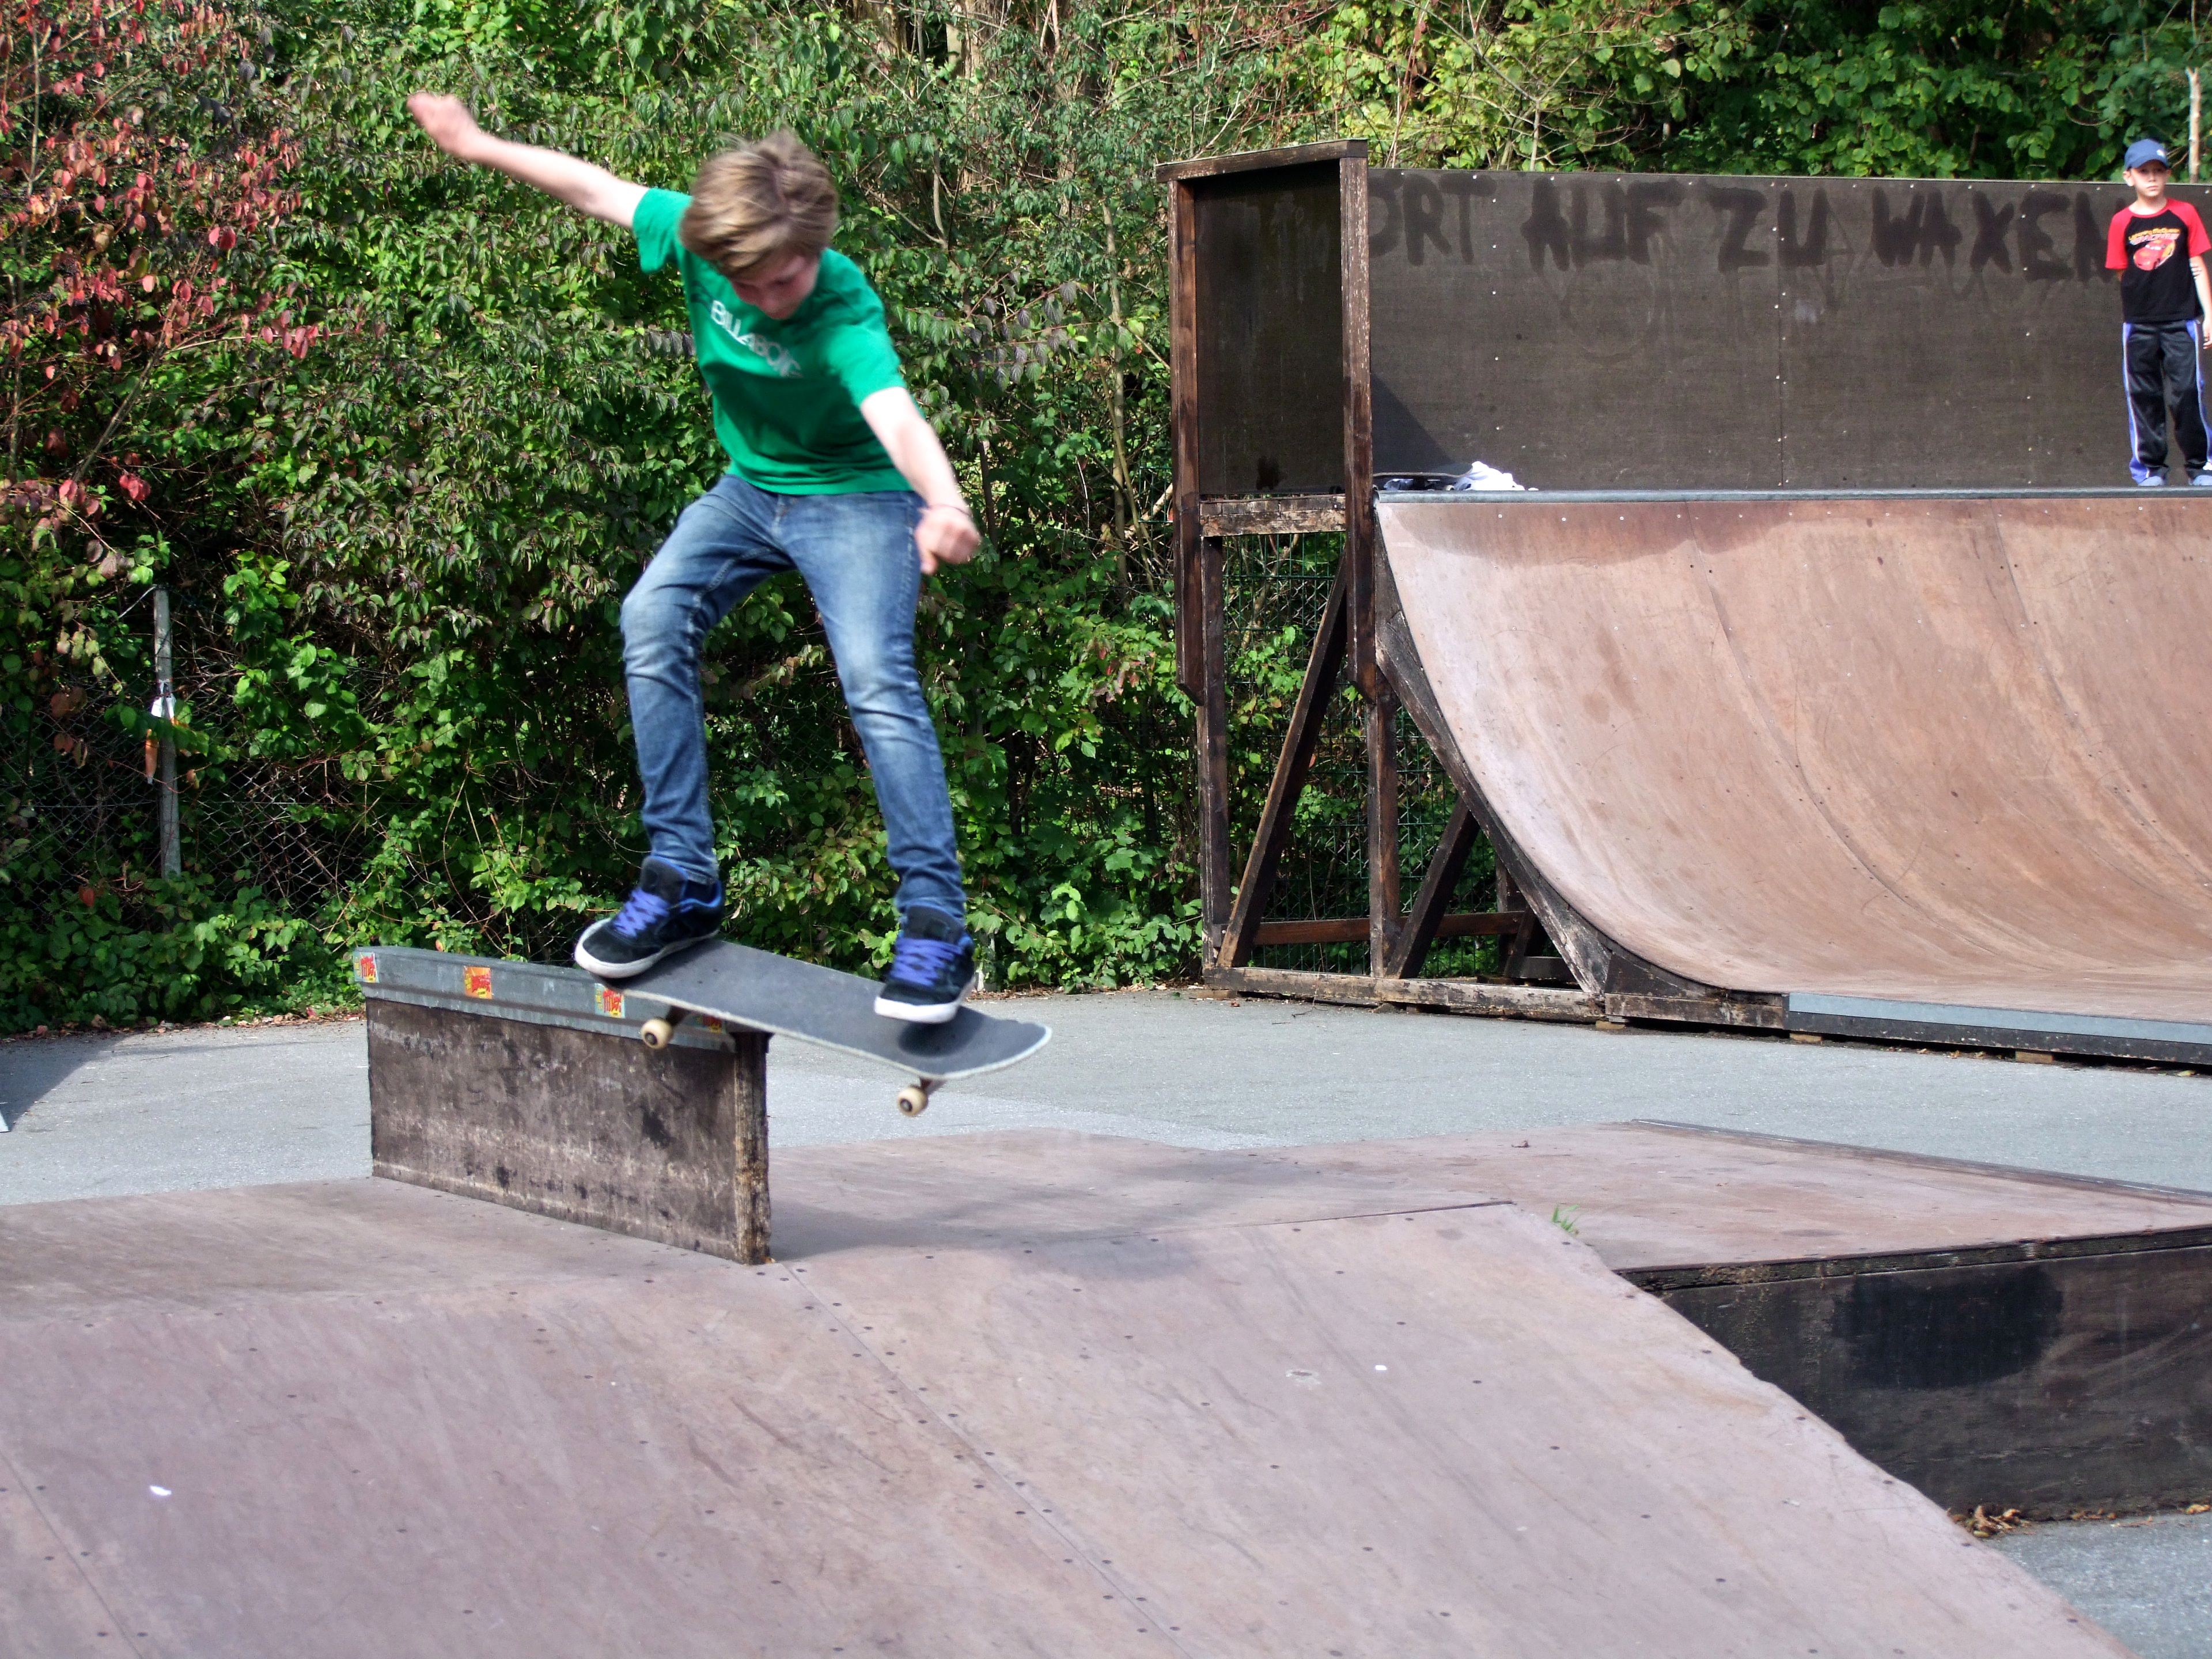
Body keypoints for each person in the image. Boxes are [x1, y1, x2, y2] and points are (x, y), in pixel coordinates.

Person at [406, 95, 982, 1021]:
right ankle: (683, 881)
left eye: (783, 283)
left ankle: (936, 924)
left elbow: (896, 416)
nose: (766, 300)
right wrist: (475, 145)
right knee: (650, 615)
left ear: (815, 251)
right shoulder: (699, 233)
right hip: (750, 490)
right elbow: (593, 188)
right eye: (746, 285)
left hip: (858, 497)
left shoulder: (841, 308)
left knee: (877, 678)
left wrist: (946, 503)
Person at [2106, 137, 2212, 487]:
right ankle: (2150, 470)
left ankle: (2202, 466)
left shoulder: (2185, 214)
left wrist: (2209, 316)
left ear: (2167, 175)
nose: (2152, 178)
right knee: (2143, 396)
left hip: (2182, 322)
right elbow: (2122, 271)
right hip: (2139, 326)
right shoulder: (2122, 221)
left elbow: (2197, 266)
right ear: (2129, 177)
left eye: (2158, 171)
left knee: (2187, 393)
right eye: (2143, 172)